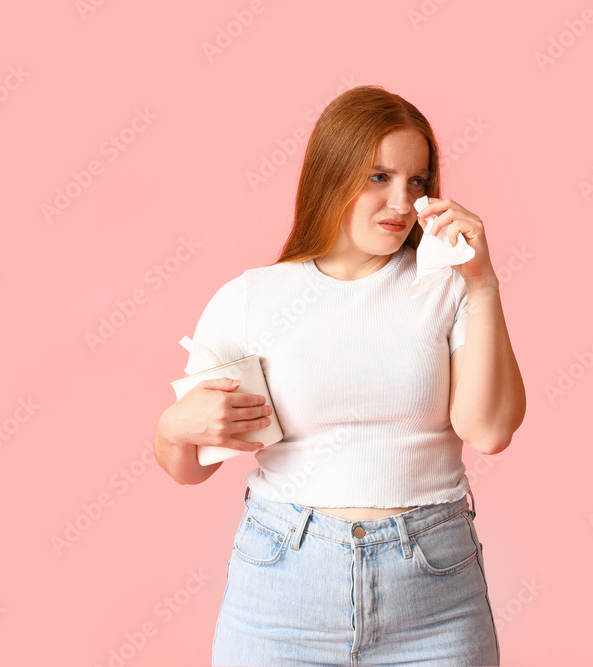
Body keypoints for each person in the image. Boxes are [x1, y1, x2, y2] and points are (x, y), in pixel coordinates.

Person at [154, 85, 525, 666]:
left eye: (418, 181)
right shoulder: (254, 299)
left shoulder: (446, 286)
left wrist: (483, 283)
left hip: (433, 594)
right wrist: (172, 429)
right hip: (282, 593)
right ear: (331, 175)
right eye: (378, 177)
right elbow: (189, 467)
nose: (402, 202)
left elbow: (490, 431)